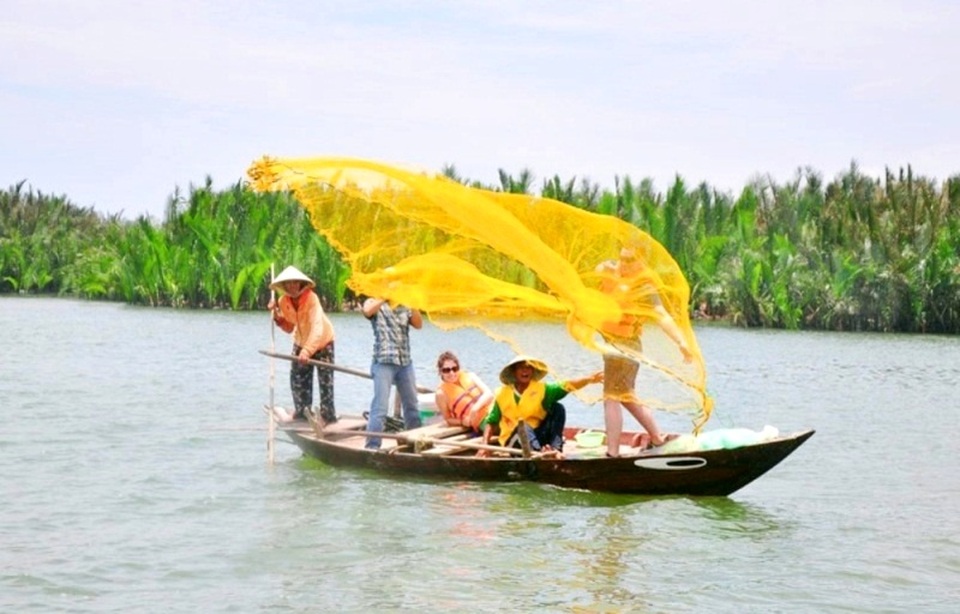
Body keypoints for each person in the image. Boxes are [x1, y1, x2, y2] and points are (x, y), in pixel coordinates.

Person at [596, 245, 693, 456]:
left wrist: (681, 342)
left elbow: (661, 314)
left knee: (611, 396)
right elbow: (595, 275)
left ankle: (612, 453)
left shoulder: (645, 284)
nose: (624, 264)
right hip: (611, 343)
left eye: (631, 260)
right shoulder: (609, 271)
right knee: (626, 396)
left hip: (625, 345)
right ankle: (657, 438)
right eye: (622, 258)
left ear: (641, 263)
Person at [478, 355, 603, 458]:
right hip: (514, 441)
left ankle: (555, 449)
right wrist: (484, 447)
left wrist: (590, 379)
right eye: (521, 368)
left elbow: (566, 385)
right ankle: (539, 453)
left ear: (533, 371)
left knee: (557, 408)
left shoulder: (543, 389)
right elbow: (491, 422)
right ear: (514, 372)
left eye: (528, 368)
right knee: (524, 426)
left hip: (538, 435)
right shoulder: (501, 393)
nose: (525, 371)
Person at [267, 265, 337, 424]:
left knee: (326, 381)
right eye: (288, 284)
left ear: (300, 283)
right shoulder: (283, 301)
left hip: (323, 342)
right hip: (301, 341)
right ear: (284, 286)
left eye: (294, 283)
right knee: (297, 378)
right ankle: (301, 411)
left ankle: (327, 416)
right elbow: (289, 326)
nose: (291, 287)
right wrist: (277, 316)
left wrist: (306, 352)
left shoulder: (312, 299)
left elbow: (317, 328)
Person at [362, 295, 423, 449]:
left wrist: (412, 302)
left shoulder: (405, 305)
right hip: (383, 362)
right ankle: (372, 447)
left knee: (412, 406)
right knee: (380, 408)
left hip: (404, 362)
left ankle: (415, 443)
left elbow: (419, 324)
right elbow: (367, 311)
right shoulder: (373, 302)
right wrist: (384, 297)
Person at [434, 351, 494, 433]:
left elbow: (489, 394)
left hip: (494, 410)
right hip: (482, 421)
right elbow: (448, 419)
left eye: (454, 369)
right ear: (440, 371)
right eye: (446, 370)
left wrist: (475, 409)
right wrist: (462, 422)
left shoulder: (471, 376)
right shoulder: (441, 394)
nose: (451, 373)